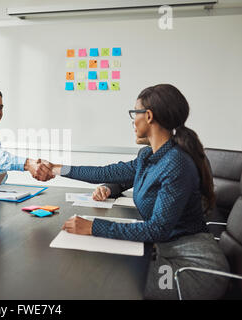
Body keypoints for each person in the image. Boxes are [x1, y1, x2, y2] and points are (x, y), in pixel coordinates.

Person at [51, 84, 229, 300]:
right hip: (165, 252)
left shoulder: (176, 163)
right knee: (102, 270)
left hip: (192, 269)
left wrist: (94, 227)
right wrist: (56, 169)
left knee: (107, 279)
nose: (132, 121)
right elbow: (105, 172)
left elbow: (158, 230)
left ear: (149, 116)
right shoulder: (148, 156)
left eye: (134, 113)